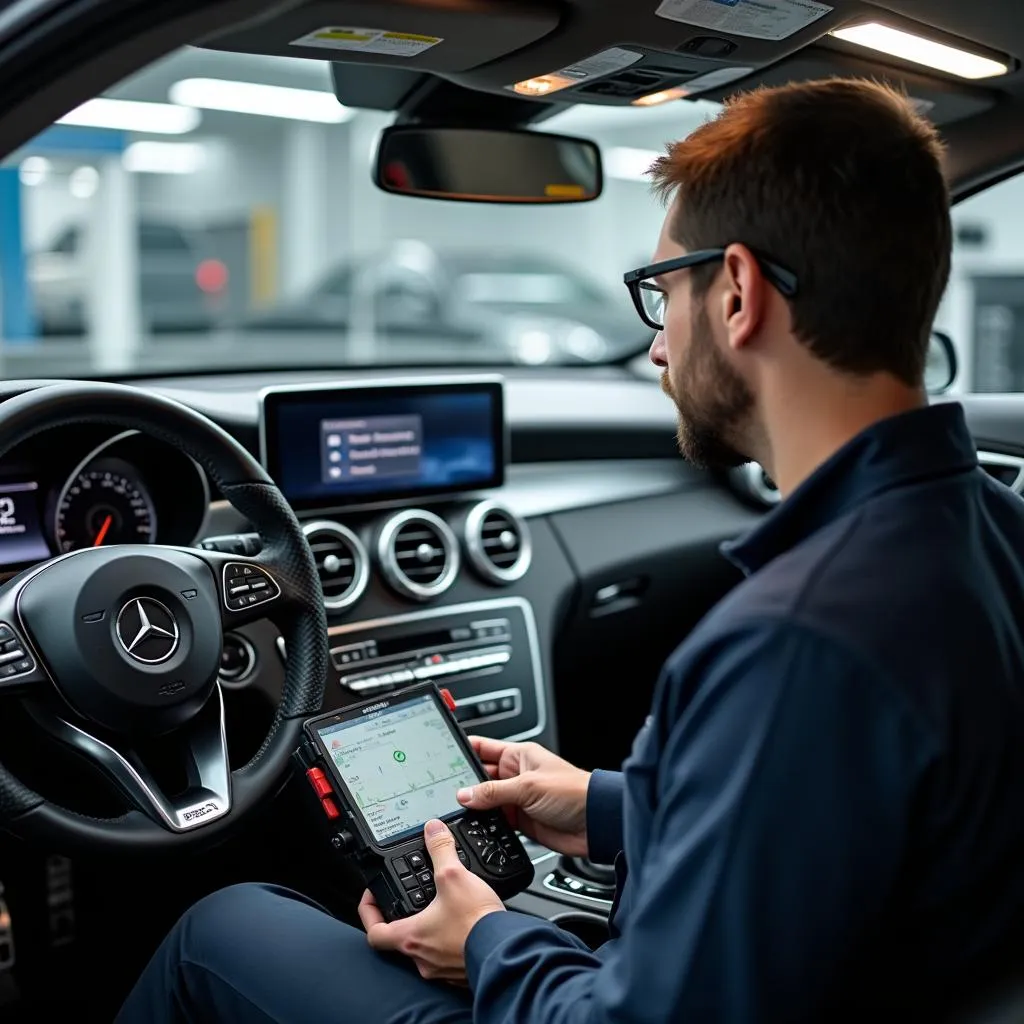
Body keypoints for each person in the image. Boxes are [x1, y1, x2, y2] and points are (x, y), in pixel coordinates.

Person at [117, 77, 1024, 1023]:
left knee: (220, 932)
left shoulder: (792, 640)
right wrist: (602, 807)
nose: (657, 350)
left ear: (739, 294)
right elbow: (836, 818)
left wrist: (488, 942)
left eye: (660, 292)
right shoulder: (991, 535)